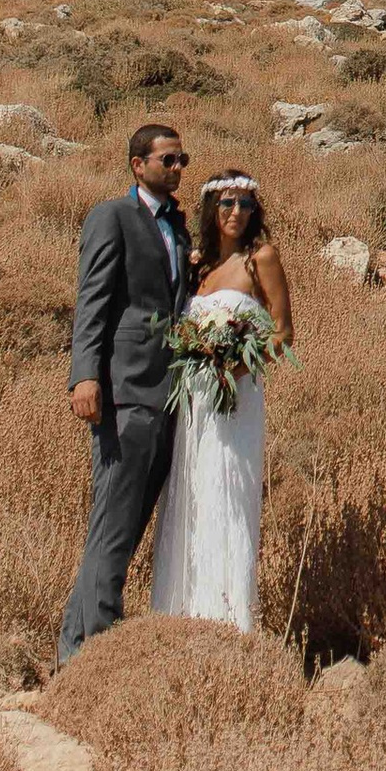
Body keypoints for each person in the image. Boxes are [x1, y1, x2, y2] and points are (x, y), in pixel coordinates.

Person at [56, 119, 193, 663]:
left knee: (124, 529)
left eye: (182, 159)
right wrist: (84, 375)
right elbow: (92, 300)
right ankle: (97, 653)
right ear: (139, 165)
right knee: (112, 523)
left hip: (170, 395)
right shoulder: (111, 216)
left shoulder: (178, 229)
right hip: (123, 390)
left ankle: (73, 649)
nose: (177, 168)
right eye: (168, 160)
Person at [149, 172, 291, 633]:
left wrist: (234, 369)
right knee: (189, 494)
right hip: (192, 404)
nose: (237, 212)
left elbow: (282, 332)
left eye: (247, 204)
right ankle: (182, 617)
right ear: (212, 209)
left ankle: (228, 622)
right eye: (228, 203)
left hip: (234, 400)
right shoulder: (199, 267)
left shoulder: (261, 259)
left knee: (227, 493)